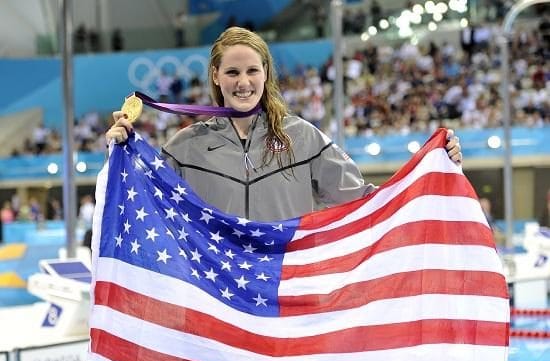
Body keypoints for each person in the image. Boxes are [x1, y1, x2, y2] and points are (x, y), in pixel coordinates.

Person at [106, 26, 462, 222]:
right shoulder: (186, 147)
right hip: (216, 297)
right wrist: (118, 149)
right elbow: (140, 203)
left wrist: (438, 169)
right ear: (216, 76)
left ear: (265, 74)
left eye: (251, 71)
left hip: (285, 292)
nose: (243, 82)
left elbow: (367, 201)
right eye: (232, 72)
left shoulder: (302, 138)